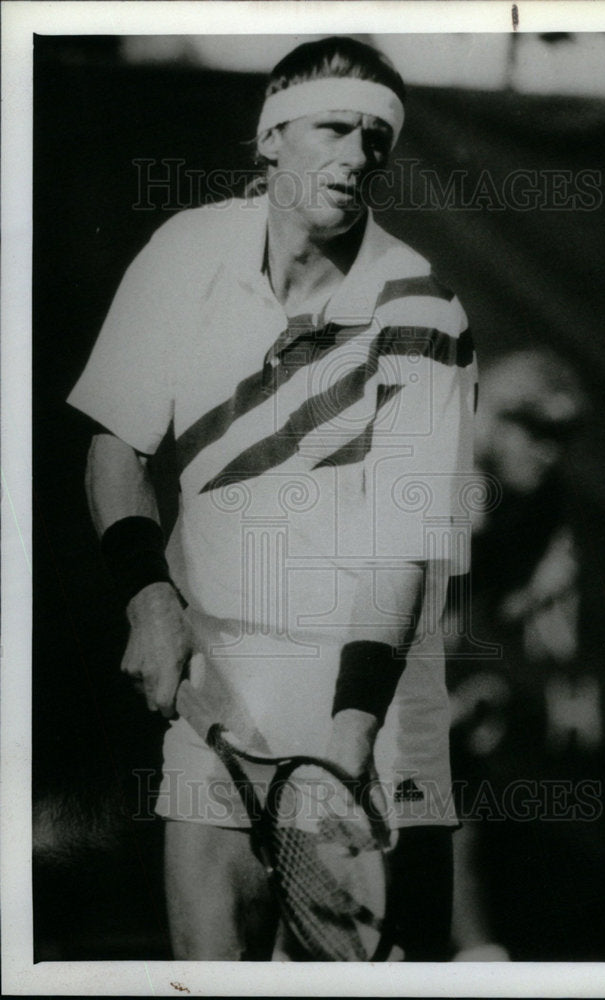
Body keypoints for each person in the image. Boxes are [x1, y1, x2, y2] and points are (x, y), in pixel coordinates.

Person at [68, 36, 477, 961]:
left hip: (372, 713)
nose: (358, 156)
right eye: (335, 128)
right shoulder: (185, 252)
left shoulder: (422, 309)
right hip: (217, 699)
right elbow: (115, 446)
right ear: (271, 139)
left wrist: (346, 741)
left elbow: (396, 551)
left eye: (377, 140)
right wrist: (148, 597)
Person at [444, 348, 585, 961]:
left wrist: (469, 683)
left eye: (563, 437)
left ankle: (475, 955)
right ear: (490, 421)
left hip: (423, 678)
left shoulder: (541, 506)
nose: (551, 453)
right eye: (537, 431)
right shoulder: (426, 477)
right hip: (335, 672)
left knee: (455, 768)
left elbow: (481, 617)